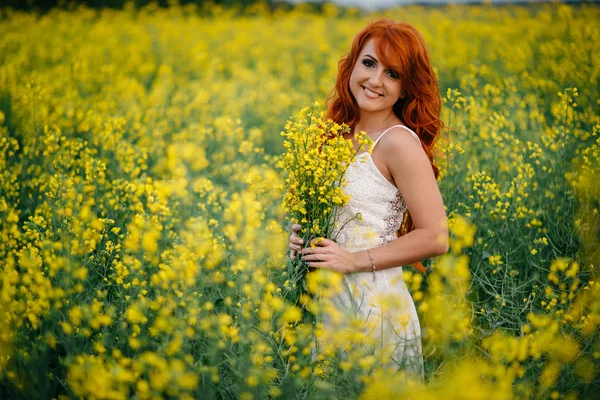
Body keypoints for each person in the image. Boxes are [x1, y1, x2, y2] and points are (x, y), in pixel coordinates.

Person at [288, 19, 449, 380]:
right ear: (352, 64)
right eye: (369, 63)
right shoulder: (336, 134)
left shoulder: (398, 143)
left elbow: (436, 236)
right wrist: (304, 238)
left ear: (406, 87)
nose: (375, 81)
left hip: (376, 308)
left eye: (392, 73)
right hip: (328, 305)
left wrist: (352, 260)